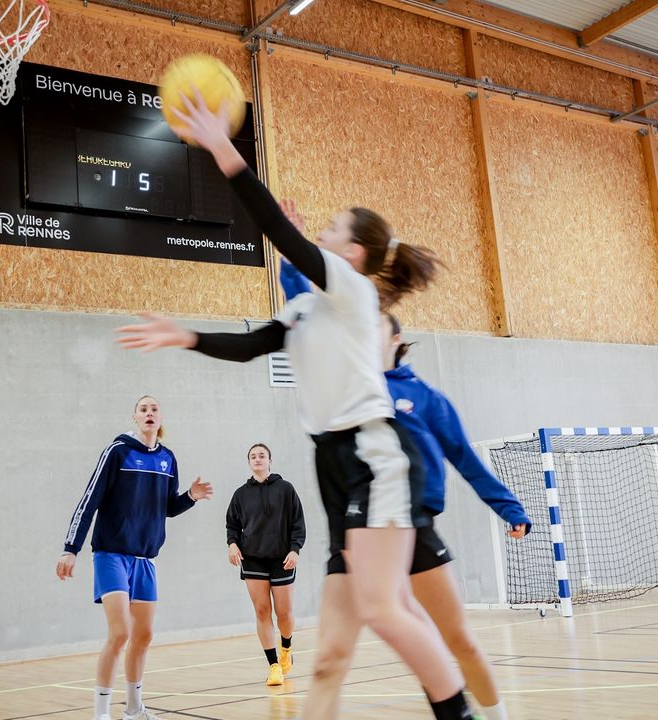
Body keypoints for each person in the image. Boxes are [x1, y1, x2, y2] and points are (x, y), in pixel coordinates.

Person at [115, 91, 475, 720]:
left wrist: (223, 148)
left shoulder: (352, 289)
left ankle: (459, 713)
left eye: (332, 227)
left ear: (352, 253)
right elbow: (255, 344)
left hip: (372, 456)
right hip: (334, 466)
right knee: (329, 655)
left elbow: (280, 232)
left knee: (385, 609)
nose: (321, 231)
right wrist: (185, 336)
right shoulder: (309, 306)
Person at [281, 247, 531, 720]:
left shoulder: (424, 398)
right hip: (355, 528)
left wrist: (509, 508)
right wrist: (289, 254)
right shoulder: (347, 387)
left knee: (457, 641)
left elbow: (465, 459)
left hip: (410, 526)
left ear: (396, 338)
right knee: (329, 661)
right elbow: (303, 310)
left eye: (374, 325)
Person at [55, 395, 214, 720]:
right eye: (143, 409)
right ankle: (101, 714)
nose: (149, 413)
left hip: (145, 559)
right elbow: (89, 500)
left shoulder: (168, 458)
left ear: (160, 418)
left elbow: (167, 507)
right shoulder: (118, 451)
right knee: (120, 633)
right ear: (135, 417)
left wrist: (190, 497)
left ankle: (133, 709)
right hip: (111, 554)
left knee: (143, 635)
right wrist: (71, 548)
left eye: (154, 409)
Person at [225, 442, 306, 686]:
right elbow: (232, 524)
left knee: (284, 613)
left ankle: (286, 648)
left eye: (262, 455)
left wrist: (295, 549)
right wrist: (232, 544)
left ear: (270, 461)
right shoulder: (241, 494)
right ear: (249, 462)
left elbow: (298, 523)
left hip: (282, 558)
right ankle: (273, 665)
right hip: (252, 558)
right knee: (262, 611)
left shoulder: (285, 489)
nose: (257, 459)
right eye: (253, 456)